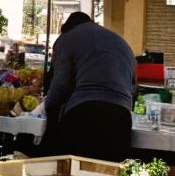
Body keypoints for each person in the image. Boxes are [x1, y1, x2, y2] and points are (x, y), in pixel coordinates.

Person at [42, 12, 137, 161]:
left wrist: (47, 114)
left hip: (85, 115)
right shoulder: (122, 43)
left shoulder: (67, 39)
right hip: (121, 118)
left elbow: (59, 87)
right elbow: (133, 89)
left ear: (66, 28)